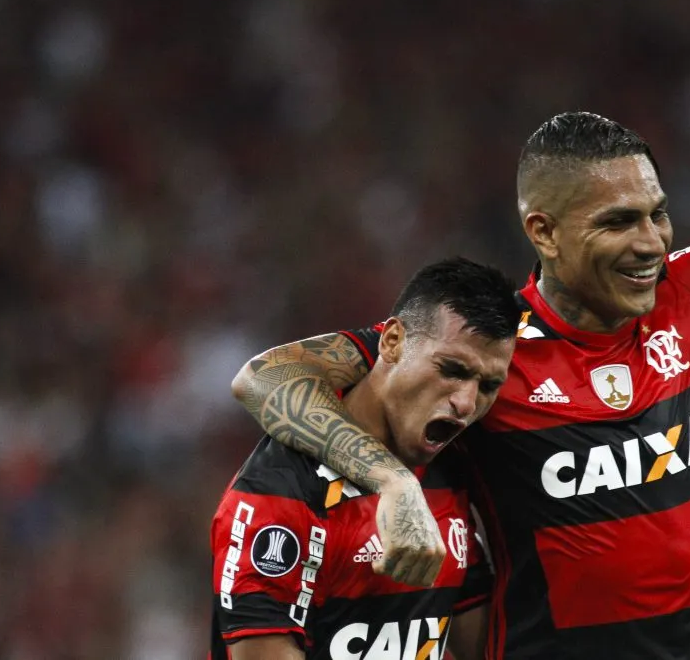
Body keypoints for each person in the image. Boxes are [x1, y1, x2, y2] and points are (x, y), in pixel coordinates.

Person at [230, 17, 690, 659]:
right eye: (619, 222)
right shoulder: (485, 353)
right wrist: (391, 481)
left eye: (658, 215)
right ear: (544, 232)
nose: (651, 243)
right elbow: (265, 376)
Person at [211, 257, 520, 660]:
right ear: (392, 343)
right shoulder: (282, 491)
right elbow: (260, 377)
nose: (466, 403)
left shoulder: (446, 468)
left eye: (489, 386)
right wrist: (394, 481)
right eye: (452, 370)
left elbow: (480, 644)